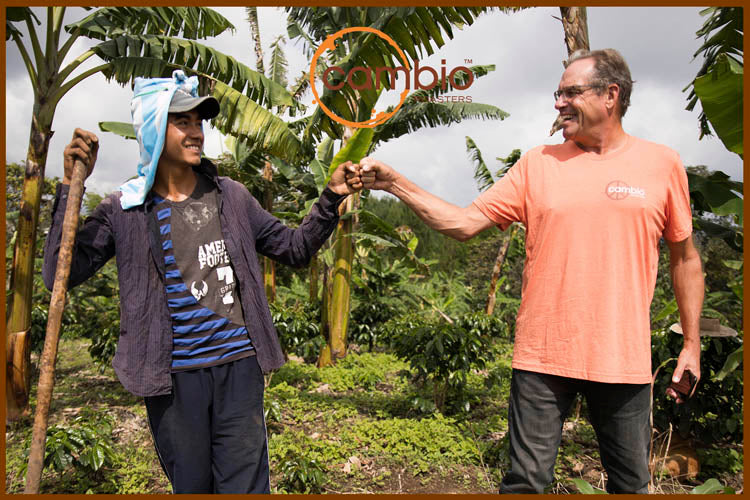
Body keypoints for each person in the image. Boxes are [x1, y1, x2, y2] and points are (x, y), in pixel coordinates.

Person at [355, 49, 704, 494]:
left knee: (631, 485)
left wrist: (690, 345)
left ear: (611, 95)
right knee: (524, 484)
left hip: (623, 360)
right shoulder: (537, 163)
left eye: (570, 92)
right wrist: (394, 183)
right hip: (543, 358)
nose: (558, 103)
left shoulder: (662, 164)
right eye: (557, 93)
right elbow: (463, 224)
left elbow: (686, 258)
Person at [43, 70, 363, 493]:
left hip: (239, 368)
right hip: (173, 379)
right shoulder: (125, 210)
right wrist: (70, 186)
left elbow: (293, 248)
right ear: (155, 128)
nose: (197, 132)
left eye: (199, 122)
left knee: (246, 487)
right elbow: (59, 274)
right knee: (192, 486)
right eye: (184, 122)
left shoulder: (230, 196)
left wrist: (330, 198)